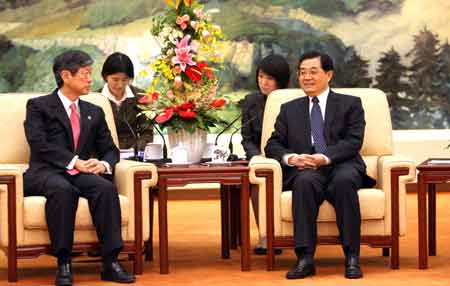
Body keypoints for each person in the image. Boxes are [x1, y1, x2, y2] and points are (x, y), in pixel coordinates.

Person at [23, 50, 135, 286]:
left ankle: (110, 262)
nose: (90, 80)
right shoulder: (38, 106)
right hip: (46, 172)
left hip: (80, 172)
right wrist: (75, 161)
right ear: (66, 75)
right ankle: (64, 263)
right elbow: (39, 144)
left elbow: (110, 149)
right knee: (63, 190)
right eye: (85, 74)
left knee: (104, 188)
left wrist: (102, 163)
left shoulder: (94, 111)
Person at [265, 50, 376, 279]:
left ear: (329, 74)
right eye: (302, 73)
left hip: (340, 163)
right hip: (305, 167)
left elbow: (354, 141)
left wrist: (324, 157)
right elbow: (273, 145)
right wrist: (292, 158)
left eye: (313, 72)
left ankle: (352, 256)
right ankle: (305, 259)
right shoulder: (289, 109)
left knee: (344, 181)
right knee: (304, 182)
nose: (306, 77)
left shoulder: (350, 104)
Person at [240, 54, 290, 255]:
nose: (264, 82)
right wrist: (256, 157)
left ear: (281, 80)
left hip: (287, 159)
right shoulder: (251, 101)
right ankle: (265, 235)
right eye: (261, 76)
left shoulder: (293, 100)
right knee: (256, 182)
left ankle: (286, 234)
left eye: (269, 78)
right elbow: (246, 137)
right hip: (262, 160)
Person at [100, 52, 152, 154]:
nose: (120, 85)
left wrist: (135, 150)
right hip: (103, 157)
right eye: (115, 79)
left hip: (134, 155)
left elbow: (147, 133)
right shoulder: (95, 99)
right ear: (105, 77)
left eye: (125, 80)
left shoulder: (140, 97)